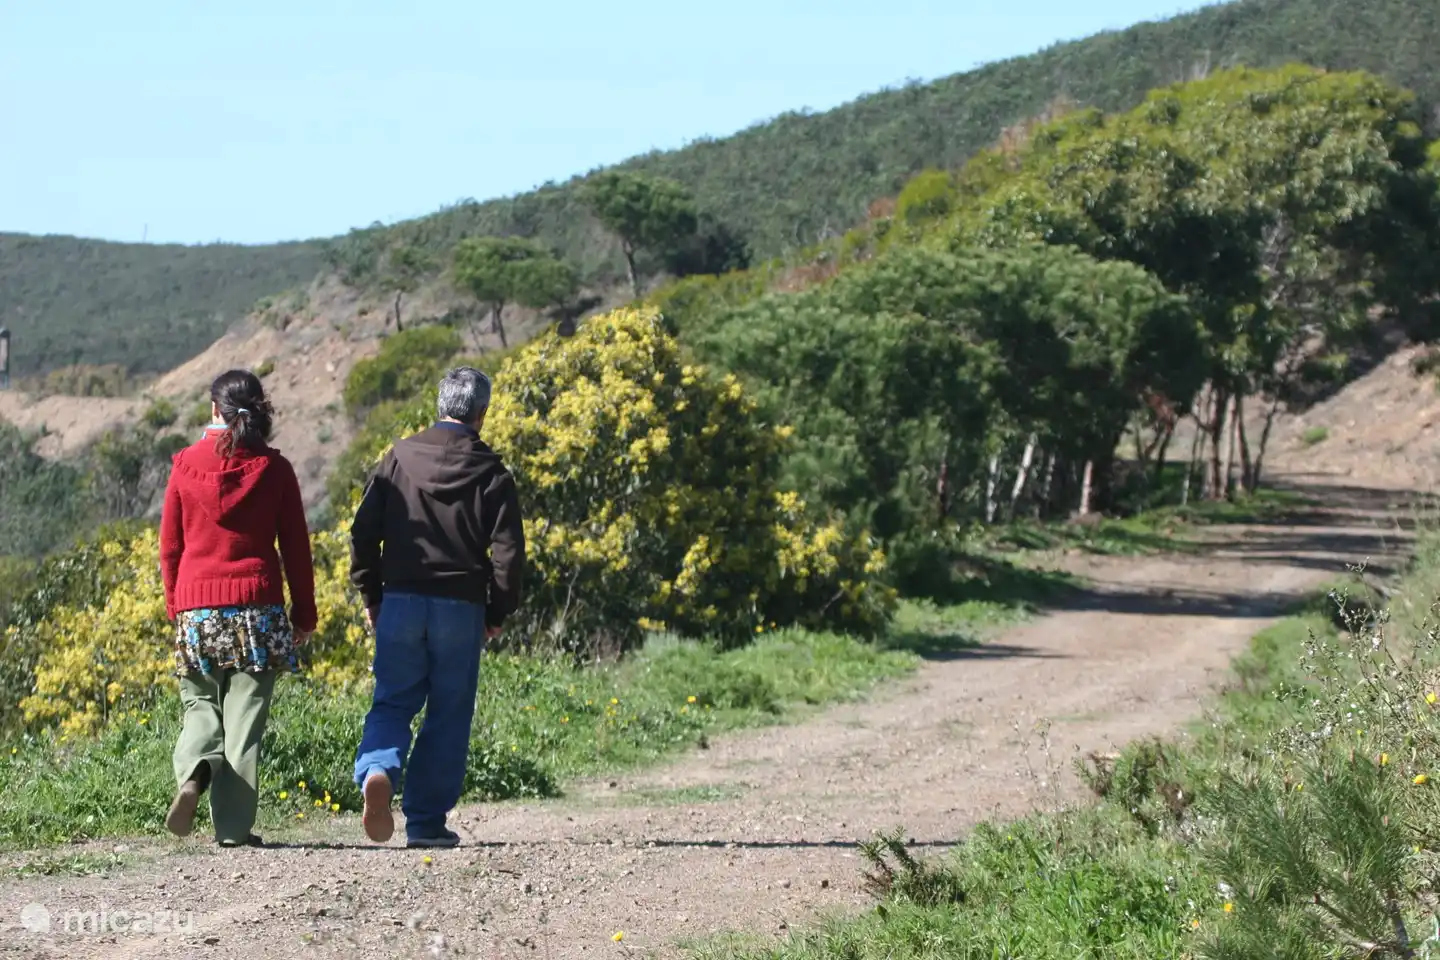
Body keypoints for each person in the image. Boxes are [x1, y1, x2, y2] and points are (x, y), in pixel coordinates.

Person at [349, 365, 526, 848]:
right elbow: (508, 554)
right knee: (448, 712)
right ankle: (425, 822)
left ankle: (379, 768)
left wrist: (372, 595)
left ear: (439, 405)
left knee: (392, 700)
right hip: (460, 608)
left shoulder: (397, 459)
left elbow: (363, 532)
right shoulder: (492, 471)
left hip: (401, 603)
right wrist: (496, 612)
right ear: (482, 414)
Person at [159, 369, 317, 846]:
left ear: (214, 409)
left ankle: (195, 770)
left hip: (198, 609)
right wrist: (304, 615)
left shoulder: (185, 464)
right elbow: (295, 548)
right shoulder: (274, 468)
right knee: (244, 722)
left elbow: (170, 547)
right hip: (258, 609)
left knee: (200, 703)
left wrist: (177, 608)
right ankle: (232, 829)